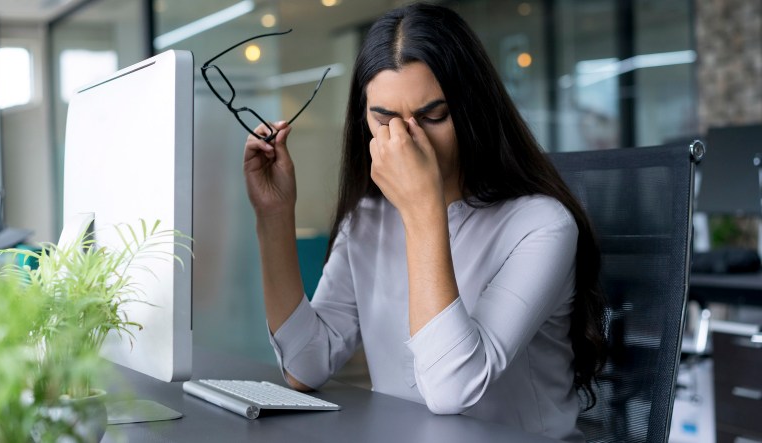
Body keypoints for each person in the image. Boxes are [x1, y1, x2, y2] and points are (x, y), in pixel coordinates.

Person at [242, 3, 607, 441]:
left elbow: (453, 390)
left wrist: (421, 209)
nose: (407, 139)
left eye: (433, 116)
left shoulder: (542, 226)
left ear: (472, 111)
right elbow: (305, 366)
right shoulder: (367, 219)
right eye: (384, 120)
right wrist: (274, 215)